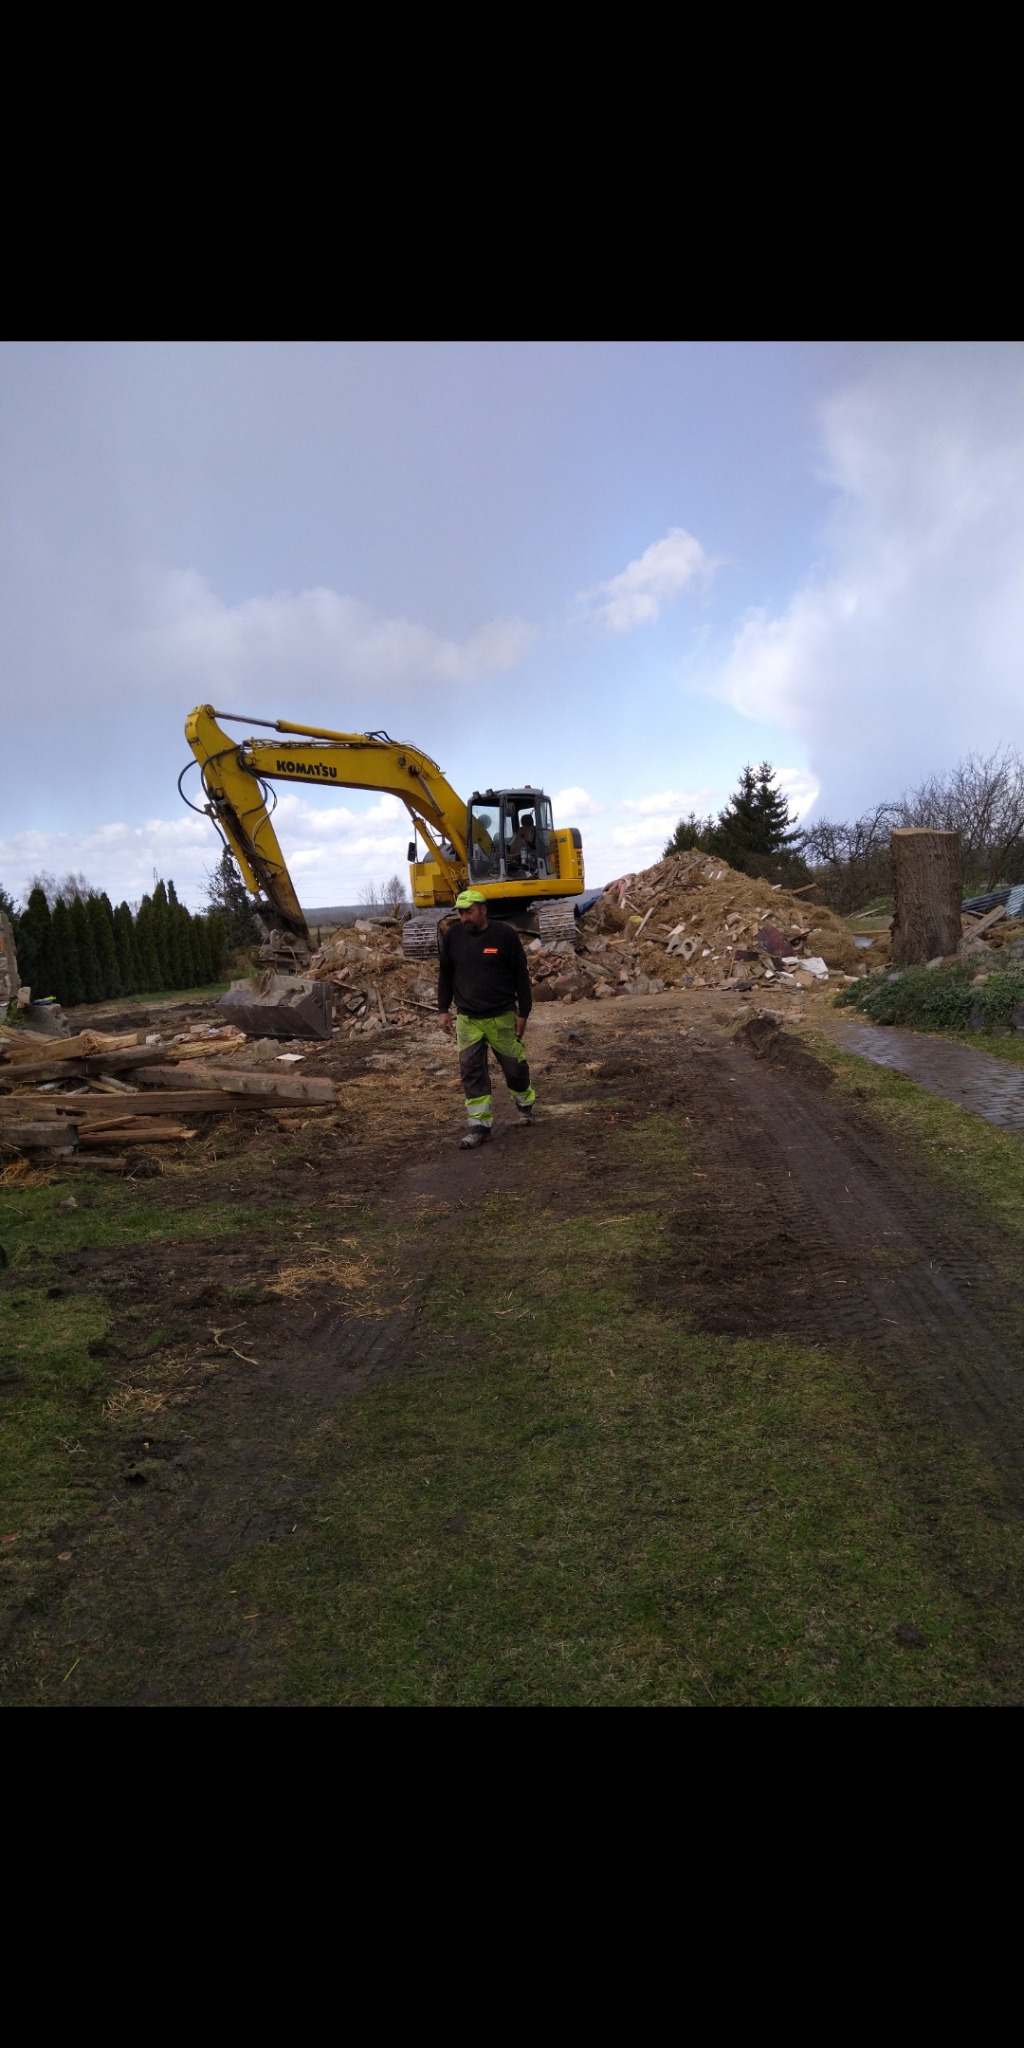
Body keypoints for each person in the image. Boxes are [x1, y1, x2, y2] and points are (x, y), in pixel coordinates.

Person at [438, 889, 536, 1148]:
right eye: (460, 912)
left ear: (483, 909)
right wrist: (443, 1009)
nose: (463, 918)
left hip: (501, 1017)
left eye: (468, 912)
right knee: (471, 1071)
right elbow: (445, 974)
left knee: (514, 1068)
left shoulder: (504, 935)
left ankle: (525, 1105)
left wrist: (524, 1012)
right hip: (468, 1019)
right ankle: (480, 1126)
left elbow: (520, 976)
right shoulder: (453, 937)